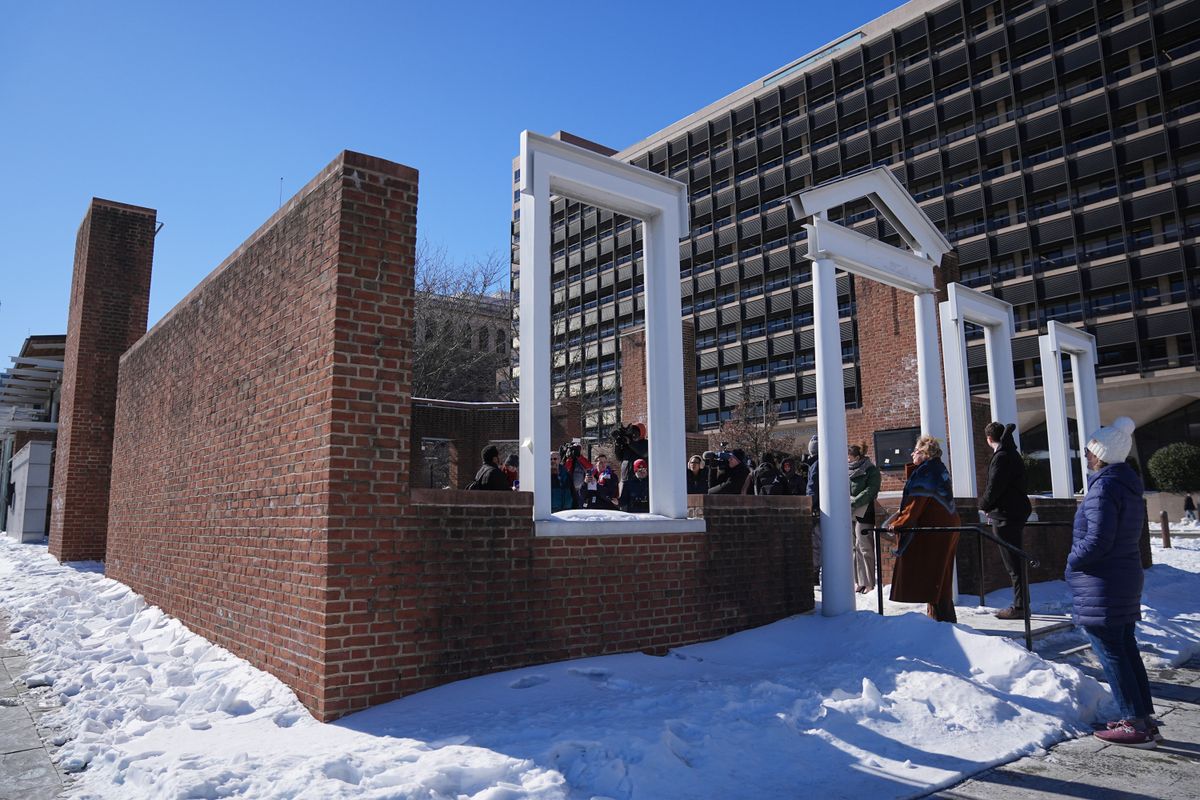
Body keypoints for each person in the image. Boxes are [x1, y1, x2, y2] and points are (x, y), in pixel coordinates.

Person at [1068, 417, 1159, 748]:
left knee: (1112, 652)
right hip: (1122, 576)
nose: (1085, 456)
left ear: (1101, 454)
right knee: (1125, 649)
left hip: (1103, 580)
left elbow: (1097, 540)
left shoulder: (1104, 488)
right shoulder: (1126, 485)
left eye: (1089, 450)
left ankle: (1134, 723)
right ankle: (1143, 719)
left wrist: (1072, 559)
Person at [886, 435, 959, 623]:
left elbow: (916, 504)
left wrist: (899, 524)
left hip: (934, 528)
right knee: (941, 577)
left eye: (915, 450)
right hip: (946, 525)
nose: (912, 454)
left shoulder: (926, 472)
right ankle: (942, 619)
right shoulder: (938, 468)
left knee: (934, 575)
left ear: (925, 453)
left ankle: (940, 622)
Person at [978, 421, 1034, 620]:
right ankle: (1022, 605)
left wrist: (984, 505)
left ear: (989, 439)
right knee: (1016, 562)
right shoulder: (1012, 454)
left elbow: (994, 487)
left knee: (1013, 565)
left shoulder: (1001, 457)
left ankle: (1020, 607)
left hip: (1005, 515)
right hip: (1015, 511)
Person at [848, 442, 882, 594]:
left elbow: (871, 490)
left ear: (857, 457)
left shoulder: (871, 470)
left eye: (850, 457)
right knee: (854, 548)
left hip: (864, 511)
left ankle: (869, 582)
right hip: (850, 511)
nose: (848, 459)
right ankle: (859, 581)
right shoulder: (846, 471)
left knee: (865, 547)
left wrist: (854, 501)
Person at [806, 435, 822, 585]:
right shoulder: (824, 462)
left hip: (817, 509)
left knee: (815, 544)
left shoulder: (815, 465)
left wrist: (809, 504)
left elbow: (812, 488)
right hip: (825, 508)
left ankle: (815, 573)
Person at [561, 444, 593, 508]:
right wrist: (569, 458)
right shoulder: (568, 458)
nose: (575, 451)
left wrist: (579, 456)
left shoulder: (581, 458)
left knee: (580, 504)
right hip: (570, 487)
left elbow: (589, 466)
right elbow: (566, 469)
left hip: (581, 488)